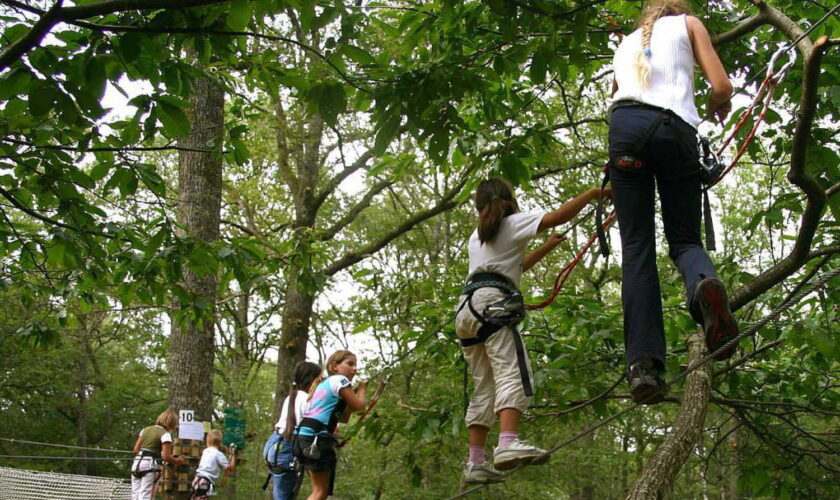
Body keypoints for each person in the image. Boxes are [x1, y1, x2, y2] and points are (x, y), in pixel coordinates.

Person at [607, 0, 739, 405]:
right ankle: (703, 286)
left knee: (636, 249)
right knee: (683, 239)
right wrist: (719, 105)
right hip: (673, 129)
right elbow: (722, 86)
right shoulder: (689, 24)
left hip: (624, 130)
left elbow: (618, 96)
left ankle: (644, 366)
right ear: (676, 9)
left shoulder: (625, 44)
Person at [455, 178, 608, 485]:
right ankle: (508, 442)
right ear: (509, 200)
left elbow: (515, 265)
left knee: (484, 384)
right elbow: (558, 217)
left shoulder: (478, 236)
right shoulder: (513, 222)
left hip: (466, 310)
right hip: (492, 303)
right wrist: (592, 194)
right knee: (513, 370)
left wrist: (547, 248)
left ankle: (475, 461)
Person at [294, 350, 367, 500]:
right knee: (320, 491)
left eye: (356, 365)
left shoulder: (324, 384)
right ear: (334, 366)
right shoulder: (340, 380)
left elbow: (344, 418)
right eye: (350, 364)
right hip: (316, 438)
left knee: (319, 489)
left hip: (303, 436)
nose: (355, 369)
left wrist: (350, 396)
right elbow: (360, 406)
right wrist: (362, 390)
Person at [264, 361, 323, 500]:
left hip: (275, 444)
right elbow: (310, 425)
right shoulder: (305, 399)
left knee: (282, 493)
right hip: (285, 447)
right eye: (318, 380)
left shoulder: (293, 396)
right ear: (311, 379)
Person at [130, 409, 186, 500]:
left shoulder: (146, 430)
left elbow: (136, 449)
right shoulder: (165, 434)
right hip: (150, 465)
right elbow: (166, 457)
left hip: (137, 463)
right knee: (145, 494)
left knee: (135, 494)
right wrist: (177, 460)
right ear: (171, 424)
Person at [190, 429, 236, 499]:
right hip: (205, 482)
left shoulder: (205, 451)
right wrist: (232, 455)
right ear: (220, 443)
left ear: (207, 442)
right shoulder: (219, 454)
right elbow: (230, 468)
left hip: (197, 480)